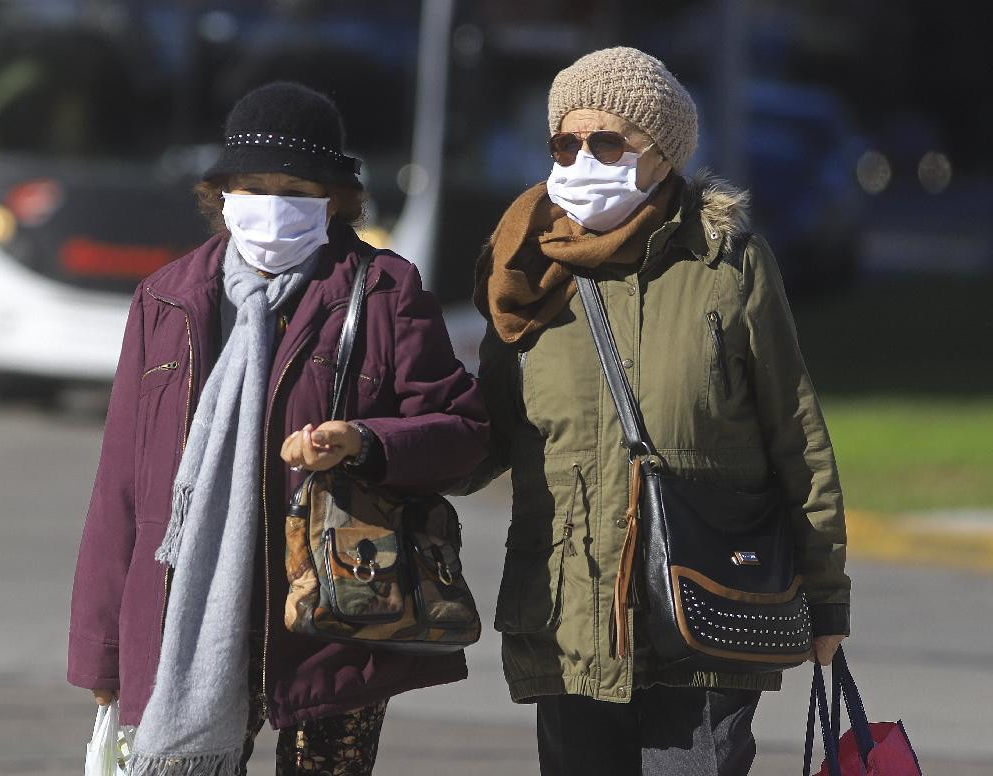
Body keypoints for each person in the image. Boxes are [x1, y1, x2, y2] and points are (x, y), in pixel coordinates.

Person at [68, 81, 489, 776]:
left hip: (331, 620)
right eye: (253, 185)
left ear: (336, 200)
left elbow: (465, 433)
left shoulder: (384, 290)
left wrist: (366, 442)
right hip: (183, 617)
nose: (270, 205)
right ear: (223, 193)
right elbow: (120, 485)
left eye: (293, 187)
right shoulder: (168, 298)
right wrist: (101, 650)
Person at [468, 47, 850, 775]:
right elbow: (479, 434)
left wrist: (826, 599)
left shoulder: (728, 262)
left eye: (607, 142)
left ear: (661, 152)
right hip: (569, 612)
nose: (583, 158)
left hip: (707, 605)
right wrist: (378, 444)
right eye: (566, 143)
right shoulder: (523, 267)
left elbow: (796, 432)